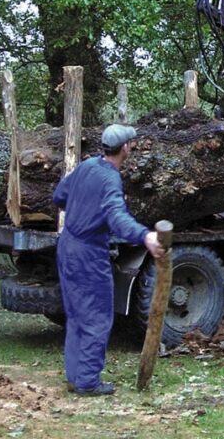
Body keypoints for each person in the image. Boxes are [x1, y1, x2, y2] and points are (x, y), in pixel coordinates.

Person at [52, 124, 165, 397]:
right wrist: (145, 236)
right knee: (97, 316)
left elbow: (59, 196)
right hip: (88, 253)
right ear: (125, 148)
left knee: (77, 314)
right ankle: (88, 382)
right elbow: (116, 217)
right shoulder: (110, 180)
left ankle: (75, 377)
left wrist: (83, 211)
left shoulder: (87, 166)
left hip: (67, 245)